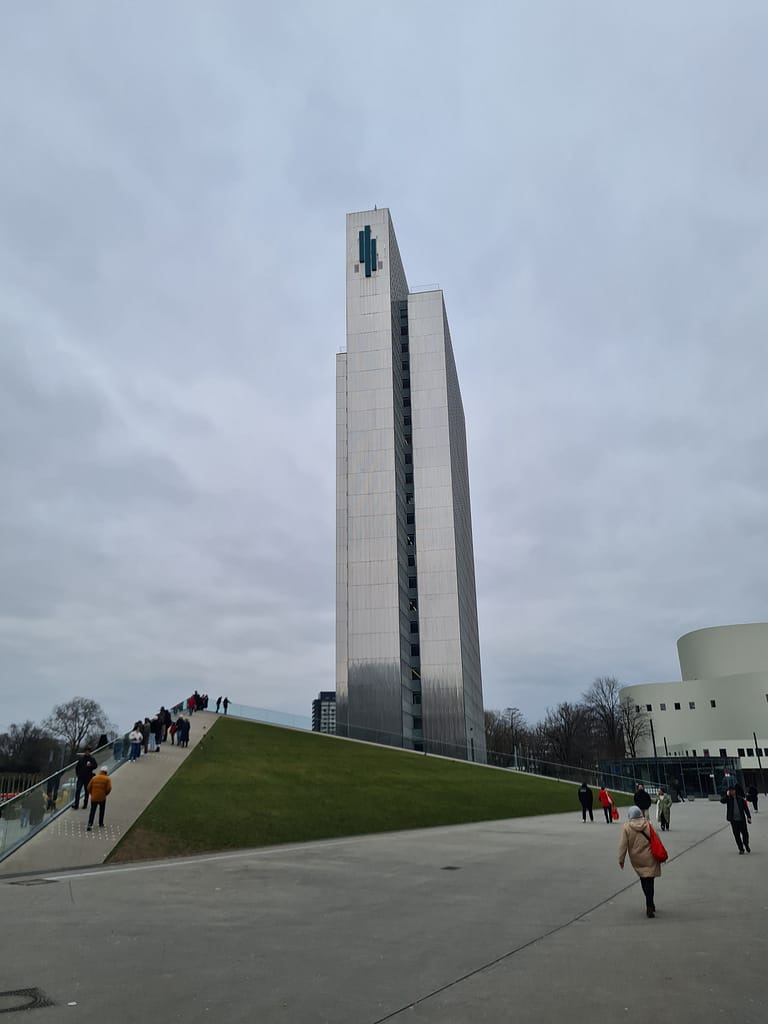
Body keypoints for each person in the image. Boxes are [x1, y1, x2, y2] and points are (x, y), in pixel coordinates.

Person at [618, 806, 662, 917]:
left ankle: (649, 903)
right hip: (650, 856)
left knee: (643, 880)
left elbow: (623, 845)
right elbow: (656, 838)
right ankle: (650, 903)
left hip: (637, 858)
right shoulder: (647, 824)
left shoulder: (626, 827)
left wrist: (621, 859)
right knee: (650, 881)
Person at [721, 783, 752, 854]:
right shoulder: (728, 799)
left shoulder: (740, 798)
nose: (732, 792)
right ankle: (741, 849)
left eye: (733, 790)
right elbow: (722, 801)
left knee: (745, 834)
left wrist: (749, 817)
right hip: (734, 821)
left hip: (742, 820)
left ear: (735, 791)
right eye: (730, 791)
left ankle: (746, 844)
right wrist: (727, 795)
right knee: (737, 835)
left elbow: (746, 809)